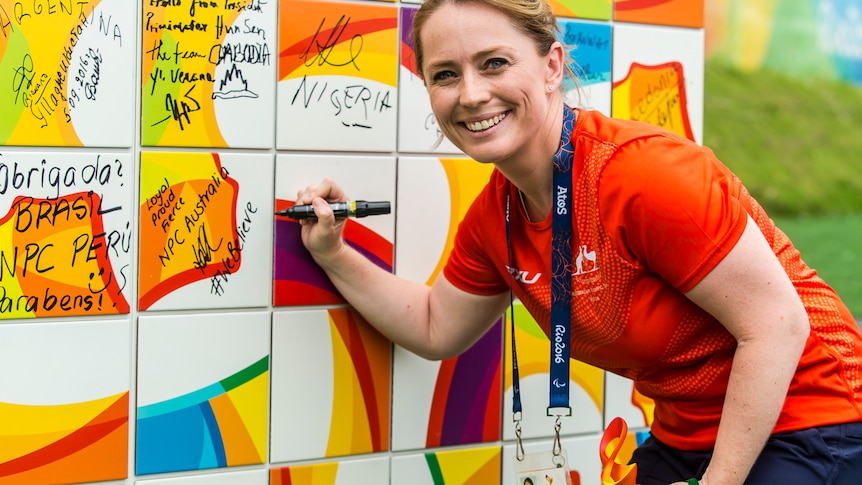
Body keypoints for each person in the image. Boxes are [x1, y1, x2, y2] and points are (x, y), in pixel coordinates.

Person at [293, 0, 862, 483]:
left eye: (494, 63)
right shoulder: (499, 215)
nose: (470, 94)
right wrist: (333, 252)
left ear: (551, 66)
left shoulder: (642, 174)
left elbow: (777, 325)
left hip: (818, 419)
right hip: (688, 432)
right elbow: (435, 325)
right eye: (445, 74)